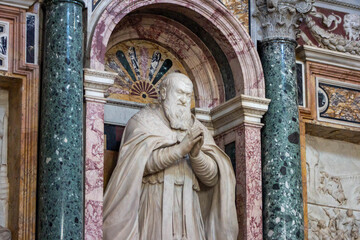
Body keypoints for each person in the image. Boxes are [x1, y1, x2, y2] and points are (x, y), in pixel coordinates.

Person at [103, 73, 238, 240]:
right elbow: (137, 166)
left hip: (190, 212)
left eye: (188, 95)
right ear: (164, 93)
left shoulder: (198, 128)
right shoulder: (144, 122)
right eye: (179, 93)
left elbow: (212, 179)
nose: (183, 99)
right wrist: (180, 150)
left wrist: (196, 155)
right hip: (155, 207)